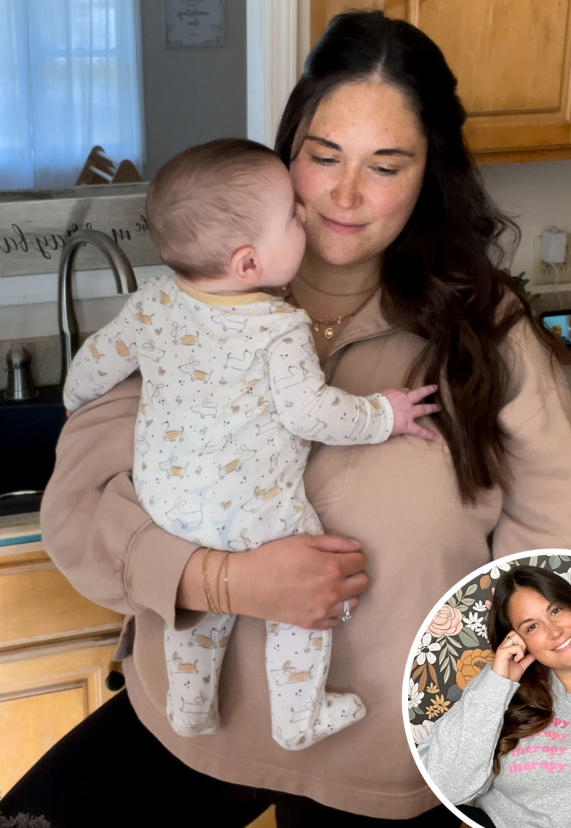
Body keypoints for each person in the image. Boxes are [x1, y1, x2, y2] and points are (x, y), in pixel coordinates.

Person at [3, 10, 571, 826]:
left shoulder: (483, 328)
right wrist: (220, 580)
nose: (344, 196)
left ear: (430, 174)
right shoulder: (192, 300)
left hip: (388, 759)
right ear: (287, 151)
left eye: (385, 166)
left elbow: (559, 559)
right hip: (193, 719)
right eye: (322, 157)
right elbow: (75, 516)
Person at [61, 138, 440, 751]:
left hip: (169, 508)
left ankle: (189, 707)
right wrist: (383, 414)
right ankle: (299, 717)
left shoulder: (152, 302)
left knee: (195, 613)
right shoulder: (279, 327)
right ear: (245, 264)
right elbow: (313, 413)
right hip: (257, 510)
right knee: (304, 598)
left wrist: (75, 405)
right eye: (293, 214)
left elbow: (92, 366)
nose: (305, 217)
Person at [422, 564, 571, 828]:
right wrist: (497, 685)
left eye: (555, 610)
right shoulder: (497, 684)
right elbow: (447, 789)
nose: (554, 632)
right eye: (532, 627)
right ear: (517, 640)